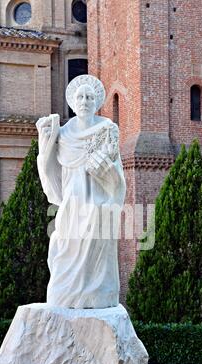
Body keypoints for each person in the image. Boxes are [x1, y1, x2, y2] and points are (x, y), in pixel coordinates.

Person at [36, 74, 126, 309]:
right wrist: (44, 145)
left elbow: (117, 177)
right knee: (65, 247)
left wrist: (110, 179)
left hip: (97, 204)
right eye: (80, 97)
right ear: (73, 103)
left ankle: (97, 294)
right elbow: (50, 172)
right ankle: (67, 293)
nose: (84, 100)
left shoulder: (107, 129)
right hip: (71, 205)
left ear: (96, 102)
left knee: (97, 246)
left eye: (89, 97)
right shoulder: (63, 134)